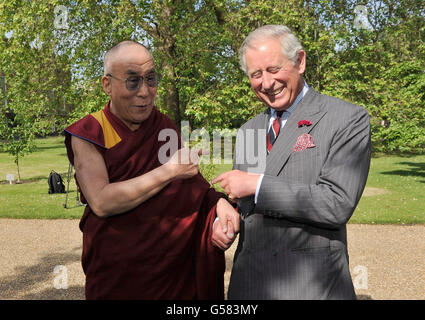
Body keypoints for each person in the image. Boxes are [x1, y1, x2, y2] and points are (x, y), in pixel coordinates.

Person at [64, 41, 238, 300]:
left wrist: (218, 204)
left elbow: (190, 183)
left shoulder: (162, 124)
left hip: (173, 272)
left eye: (151, 79)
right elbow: (101, 201)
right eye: (132, 81)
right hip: (118, 276)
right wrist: (168, 171)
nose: (145, 92)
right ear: (107, 85)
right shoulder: (90, 132)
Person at [212, 25, 371, 299]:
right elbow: (246, 204)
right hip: (249, 285)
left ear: (300, 61)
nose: (266, 82)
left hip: (312, 287)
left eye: (274, 69)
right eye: (256, 74)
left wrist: (258, 185)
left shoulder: (347, 118)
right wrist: (225, 216)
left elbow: (337, 203)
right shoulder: (249, 131)